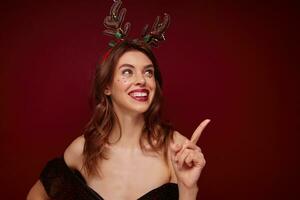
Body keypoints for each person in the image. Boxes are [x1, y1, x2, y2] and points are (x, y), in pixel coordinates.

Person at [27, 1, 210, 200]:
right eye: (127, 72)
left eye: (148, 72)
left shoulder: (176, 148)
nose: (142, 80)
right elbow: (37, 195)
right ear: (106, 86)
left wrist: (188, 188)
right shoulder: (83, 148)